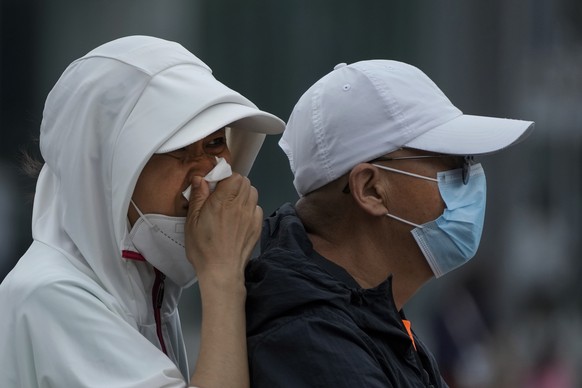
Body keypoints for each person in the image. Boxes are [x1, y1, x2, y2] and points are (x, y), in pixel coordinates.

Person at [0, 36, 284, 388]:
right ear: (110, 172)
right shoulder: (53, 294)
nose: (205, 174)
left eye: (214, 144)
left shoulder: (141, 285)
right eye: (179, 148)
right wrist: (222, 278)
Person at [245, 60, 534, 387]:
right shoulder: (313, 344)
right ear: (370, 189)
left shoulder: (365, 318)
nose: (475, 182)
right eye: (457, 165)